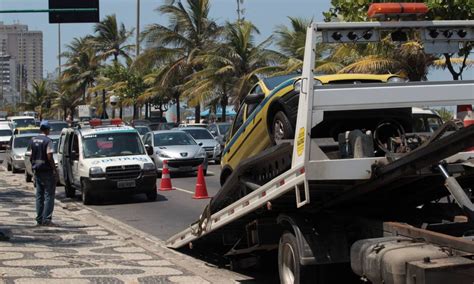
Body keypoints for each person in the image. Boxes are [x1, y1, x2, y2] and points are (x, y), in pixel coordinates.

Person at [29, 120, 57, 226]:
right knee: (49, 195)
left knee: (39, 196)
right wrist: (54, 169)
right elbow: (49, 156)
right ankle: (47, 219)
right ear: (47, 129)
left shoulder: (33, 140)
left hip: (37, 171)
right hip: (47, 171)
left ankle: (39, 219)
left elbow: (31, 156)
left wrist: (33, 169)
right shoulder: (47, 141)